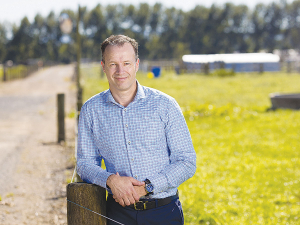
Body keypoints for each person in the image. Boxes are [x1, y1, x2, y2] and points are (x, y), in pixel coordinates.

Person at [77, 34, 196, 225]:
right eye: (113, 64)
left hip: (164, 212)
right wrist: (111, 181)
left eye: (126, 63)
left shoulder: (165, 105)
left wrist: (147, 187)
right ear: (103, 67)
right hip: (117, 214)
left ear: (137, 64)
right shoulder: (91, 110)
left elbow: (186, 161)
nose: (120, 70)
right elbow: (84, 163)